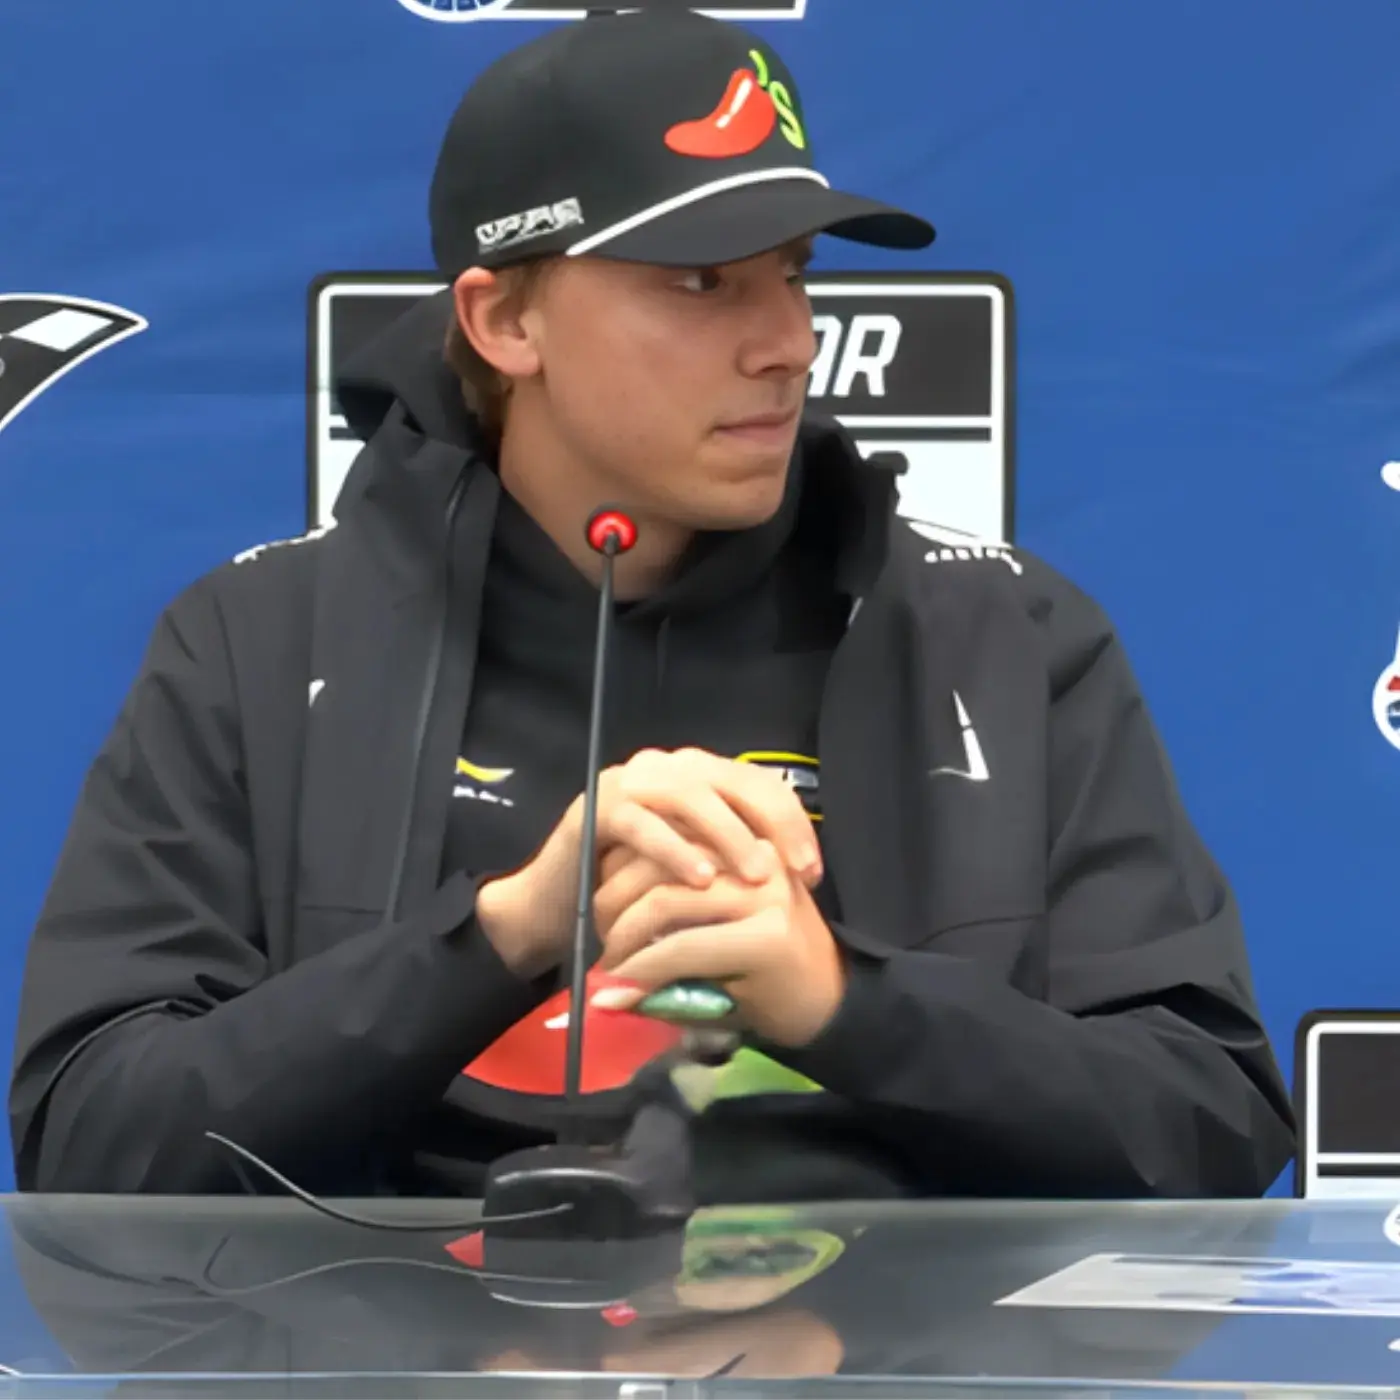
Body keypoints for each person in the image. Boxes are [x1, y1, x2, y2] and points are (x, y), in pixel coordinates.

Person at [9, 8, 1294, 1202]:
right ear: (504, 320)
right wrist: (504, 931)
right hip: (382, 1338)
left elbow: (1210, 1124)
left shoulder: (1000, 636)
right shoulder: (259, 641)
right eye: (700, 281)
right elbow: (92, 1144)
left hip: (890, 1345)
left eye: (791, 272)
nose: (787, 339)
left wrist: (842, 1001)